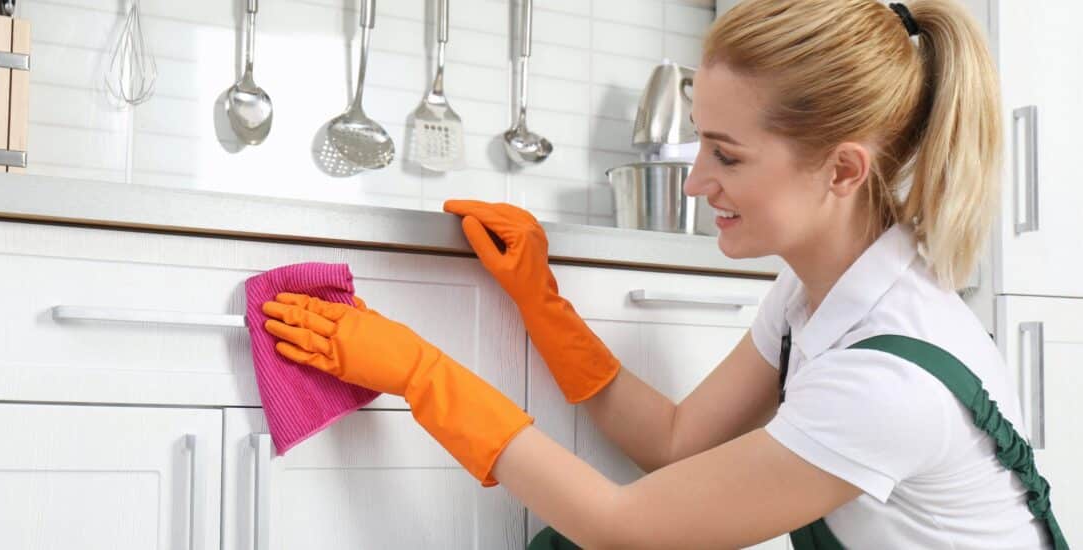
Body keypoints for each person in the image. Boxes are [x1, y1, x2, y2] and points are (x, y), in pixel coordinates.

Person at [260, 0, 1068, 547]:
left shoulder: (888, 375)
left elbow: (620, 525)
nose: (694, 182)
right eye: (700, 143)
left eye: (727, 154)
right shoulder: (819, 293)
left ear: (844, 171)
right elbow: (677, 443)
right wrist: (543, 303)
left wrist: (421, 371)